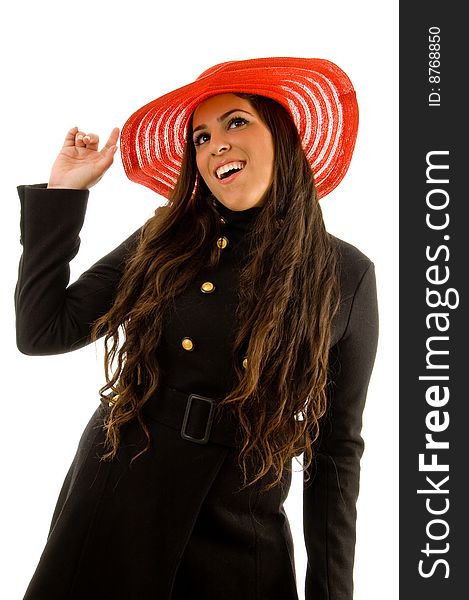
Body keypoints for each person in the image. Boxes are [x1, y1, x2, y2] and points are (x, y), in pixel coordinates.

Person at [15, 57, 379, 600]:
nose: (215, 146)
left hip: (243, 524)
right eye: (200, 137)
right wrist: (65, 194)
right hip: (120, 492)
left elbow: (335, 452)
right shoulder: (167, 238)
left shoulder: (345, 274)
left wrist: (331, 592)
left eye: (236, 122)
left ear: (281, 136)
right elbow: (42, 331)